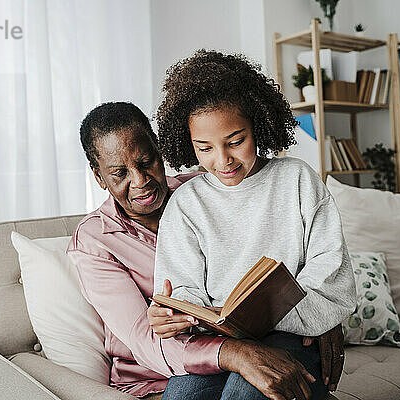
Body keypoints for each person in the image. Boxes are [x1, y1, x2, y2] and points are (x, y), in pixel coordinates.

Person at [68, 101, 347, 400]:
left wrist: (322, 317)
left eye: (147, 161)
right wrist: (235, 352)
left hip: (254, 344)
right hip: (158, 377)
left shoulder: (212, 186)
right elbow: (147, 340)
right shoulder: (94, 241)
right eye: (120, 173)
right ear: (99, 177)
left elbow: (309, 258)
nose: (140, 181)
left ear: (160, 151)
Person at [149, 50, 356, 400]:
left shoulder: (297, 180)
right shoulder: (186, 202)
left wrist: (276, 315)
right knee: (181, 396)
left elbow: (330, 272)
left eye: (236, 141)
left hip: (293, 335)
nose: (223, 160)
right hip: (220, 341)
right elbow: (183, 289)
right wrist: (174, 313)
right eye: (205, 148)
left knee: (246, 393)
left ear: (258, 125)